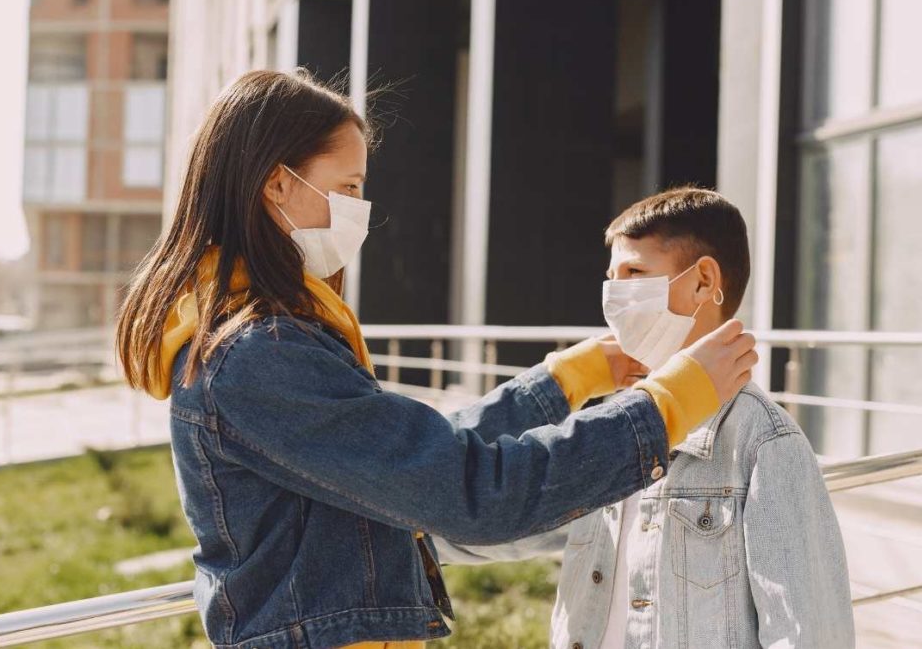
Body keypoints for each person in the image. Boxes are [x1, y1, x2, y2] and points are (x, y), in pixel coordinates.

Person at [114, 70, 757, 649]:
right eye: (349, 185)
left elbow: (419, 458)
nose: (360, 210)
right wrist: (665, 406)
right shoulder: (258, 357)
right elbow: (470, 491)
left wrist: (571, 378)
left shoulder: (266, 342)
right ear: (278, 183)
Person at [439, 187, 854, 648]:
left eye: (634, 272)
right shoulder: (608, 427)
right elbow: (482, 523)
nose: (615, 295)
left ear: (703, 282)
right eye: (610, 277)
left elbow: (809, 636)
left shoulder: (763, 442)